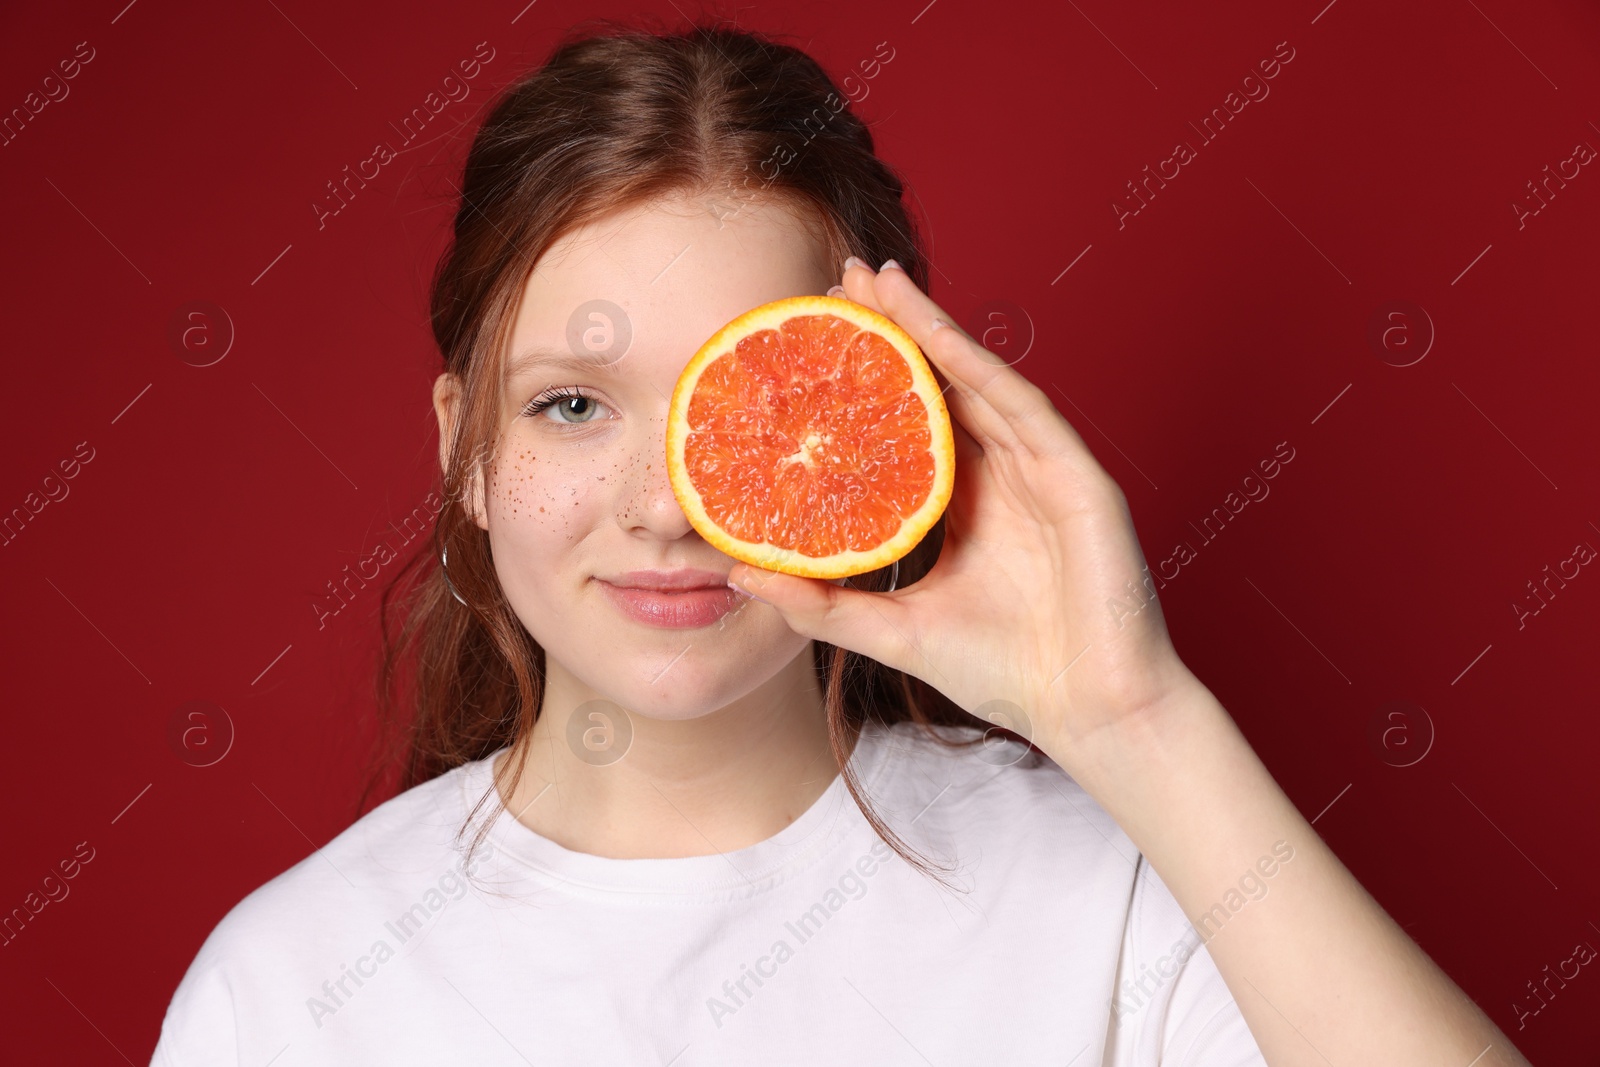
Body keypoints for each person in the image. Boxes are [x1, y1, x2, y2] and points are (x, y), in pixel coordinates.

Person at [151, 20, 1530, 1067]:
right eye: (573, 404)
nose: (668, 506)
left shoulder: (1105, 889)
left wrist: (1138, 717)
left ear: (886, 418)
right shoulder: (292, 988)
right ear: (465, 447)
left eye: (759, 409)